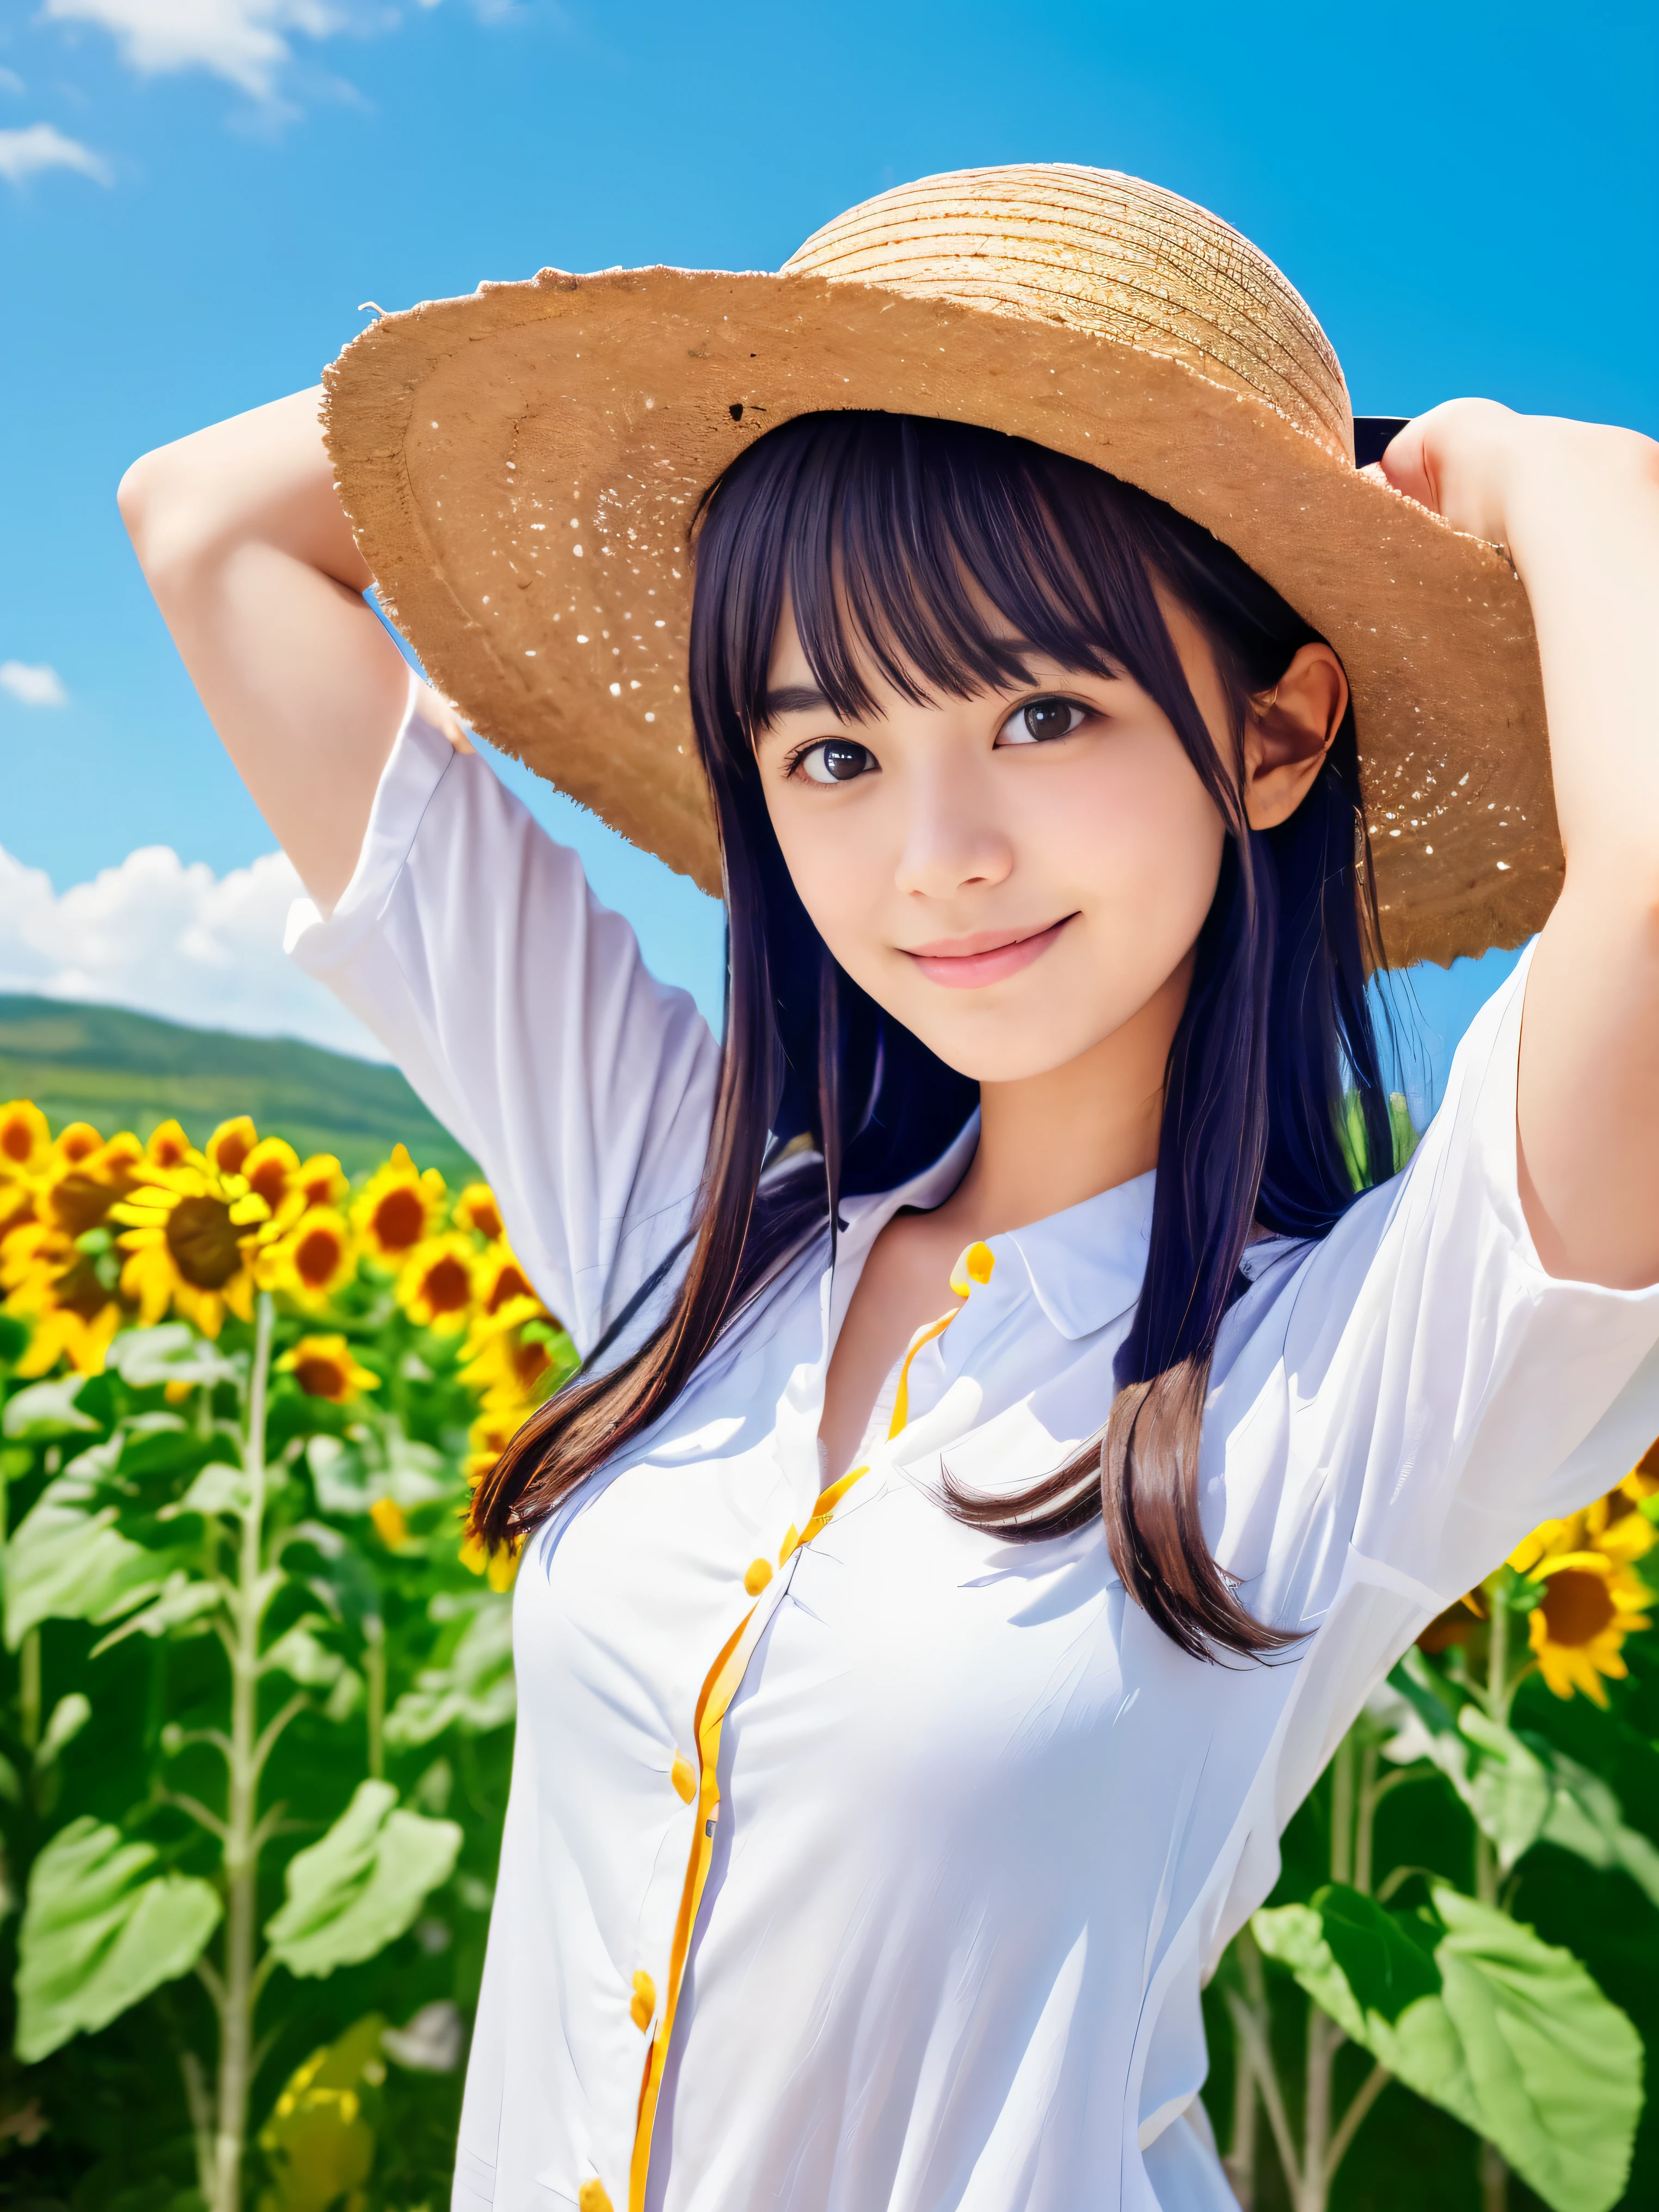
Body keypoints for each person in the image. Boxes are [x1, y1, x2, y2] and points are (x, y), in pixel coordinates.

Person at [119, 165, 1659, 2212]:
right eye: (830, 749)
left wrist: (1568, 480)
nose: (935, 852)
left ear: (1279, 737)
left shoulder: (1337, 1384)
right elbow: (208, 534)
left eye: (1043, 710)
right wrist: (725, 360)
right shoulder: (695, 1240)